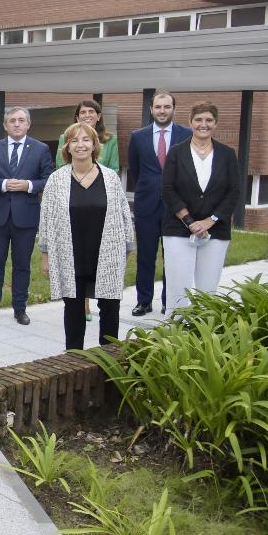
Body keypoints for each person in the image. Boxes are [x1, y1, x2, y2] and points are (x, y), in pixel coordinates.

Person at [37, 123, 134, 350]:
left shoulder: (110, 178)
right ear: (67, 147)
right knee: (73, 308)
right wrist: (45, 254)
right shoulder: (56, 180)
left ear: (94, 145)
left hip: (106, 252)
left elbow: (124, 214)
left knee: (110, 307)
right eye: (74, 140)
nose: (80, 145)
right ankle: (73, 360)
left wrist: (127, 248)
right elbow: (46, 219)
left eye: (86, 140)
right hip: (71, 254)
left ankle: (110, 360)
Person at [0, 107, 54, 325]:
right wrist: (2, 184)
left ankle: (20, 309)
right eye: (12, 121)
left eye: (21, 120)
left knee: (22, 265)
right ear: (5, 126)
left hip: (26, 218)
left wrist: (28, 185)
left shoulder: (40, 149)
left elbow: (49, 179)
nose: (17, 124)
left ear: (29, 124)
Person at [161, 103, 240, 311]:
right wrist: (189, 221)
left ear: (215, 124)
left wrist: (210, 221)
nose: (203, 124)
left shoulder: (227, 154)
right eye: (198, 120)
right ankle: (175, 336)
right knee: (178, 290)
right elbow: (168, 189)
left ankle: (203, 337)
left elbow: (234, 192)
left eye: (208, 120)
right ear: (190, 122)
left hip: (216, 229)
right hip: (178, 228)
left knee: (208, 292)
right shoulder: (176, 153)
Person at [128, 91, 191, 316]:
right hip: (147, 206)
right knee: (145, 256)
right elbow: (134, 170)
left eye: (166, 106)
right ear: (151, 109)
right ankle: (143, 301)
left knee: (173, 257)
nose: (162, 111)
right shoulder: (138, 136)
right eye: (158, 107)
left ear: (174, 108)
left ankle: (169, 301)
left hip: (177, 208)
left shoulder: (187, 134)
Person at [57, 99, 120, 173]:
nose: (87, 115)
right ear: (77, 118)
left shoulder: (111, 139)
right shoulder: (65, 137)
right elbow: (61, 165)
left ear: (98, 116)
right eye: (83, 112)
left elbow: (114, 169)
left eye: (91, 111)